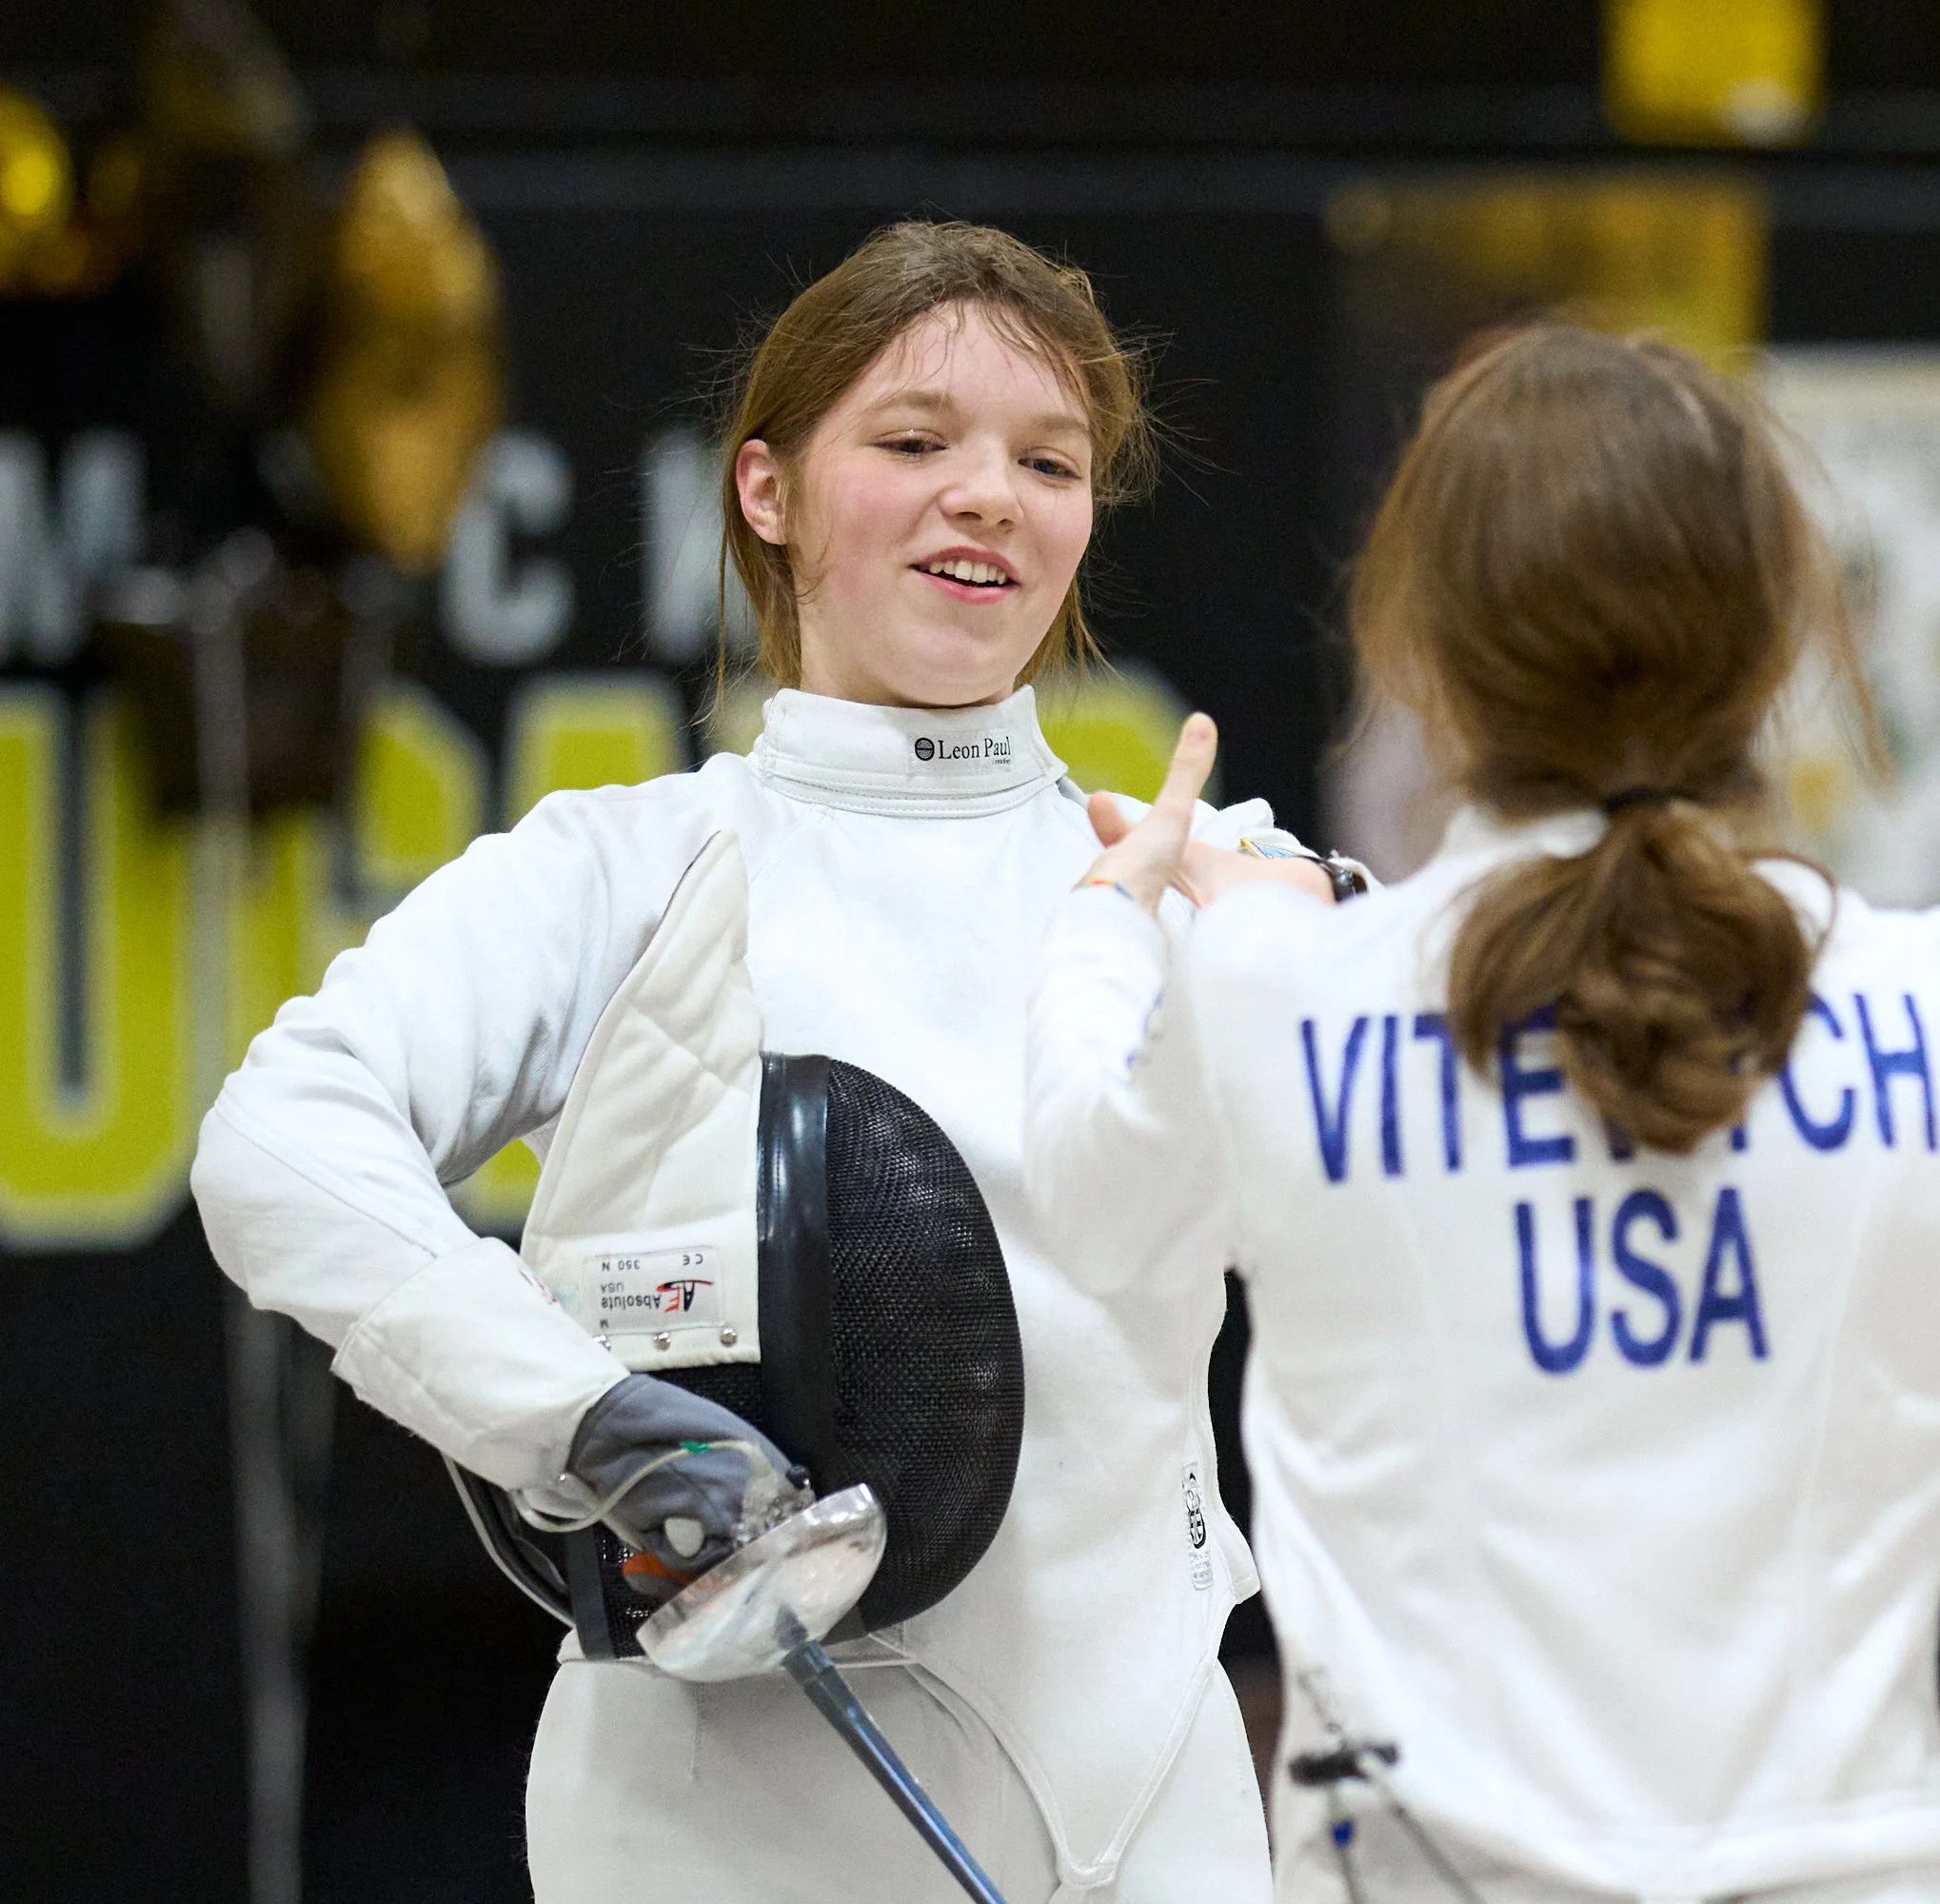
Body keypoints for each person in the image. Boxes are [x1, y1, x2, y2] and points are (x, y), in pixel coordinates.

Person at [1022, 325, 1940, 1904]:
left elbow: (1090, 1211)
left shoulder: (1278, 992)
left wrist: (1115, 920)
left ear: (1422, 647)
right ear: (1776, 637)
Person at [192, 220, 1318, 1902]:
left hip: (1151, 1802)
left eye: (1049, 461)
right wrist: (583, 1420)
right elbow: (279, 1142)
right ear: (768, 490)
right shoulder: (625, 872)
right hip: (720, 1815)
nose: (989, 497)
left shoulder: (1197, 874)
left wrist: (1324, 958)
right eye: (915, 442)